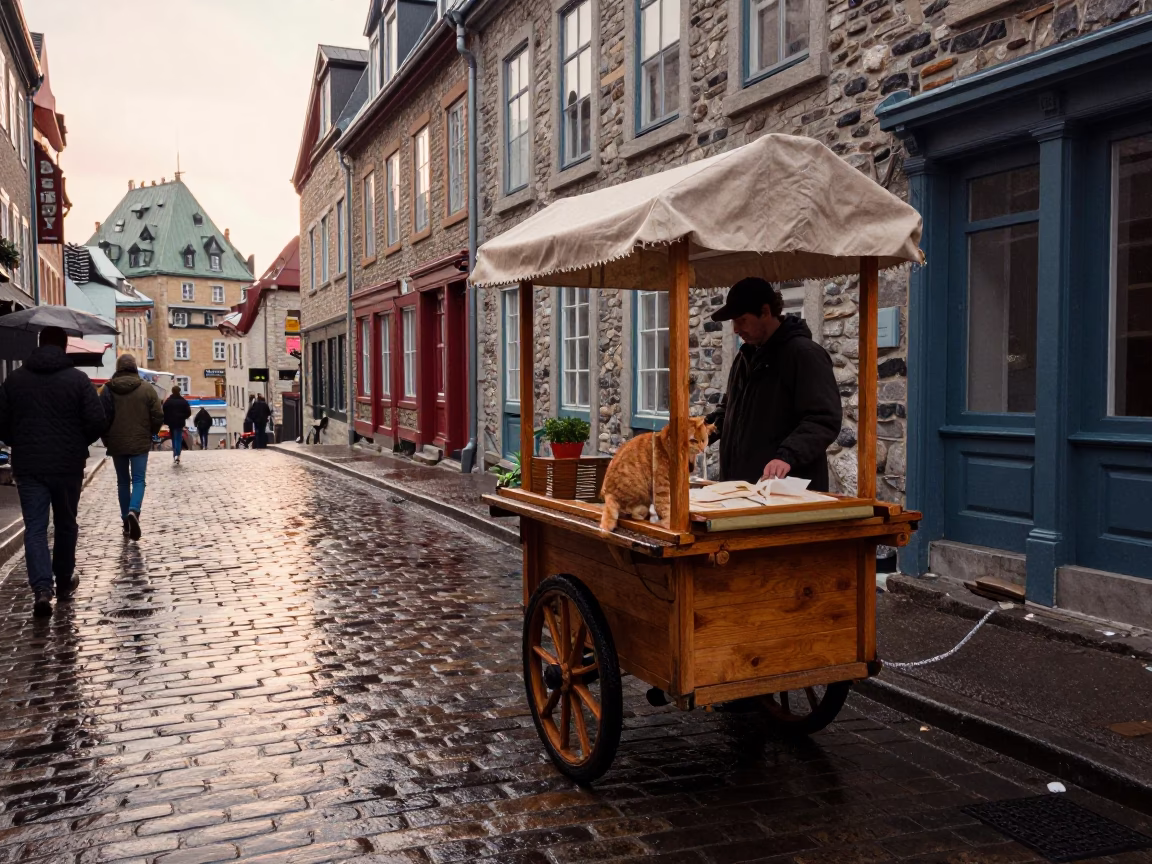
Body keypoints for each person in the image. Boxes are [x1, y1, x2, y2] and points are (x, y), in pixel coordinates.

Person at [0, 326, 106, 617]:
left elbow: (2, 423)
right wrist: (77, 442)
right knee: (66, 523)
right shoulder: (78, 379)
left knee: (35, 528)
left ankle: (42, 590)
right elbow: (97, 421)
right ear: (64, 347)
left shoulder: (15, 379)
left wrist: (18, 441)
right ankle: (64, 580)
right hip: (67, 465)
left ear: (39, 344)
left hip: (29, 465)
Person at [706, 278, 842, 491]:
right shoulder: (744, 357)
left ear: (765, 312)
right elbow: (729, 410)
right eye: (734, 322)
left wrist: (786, 456)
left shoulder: (805, 354)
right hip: (742, 489)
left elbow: (822, 419)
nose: (735, 329)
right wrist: (700, 432)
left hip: (786, 491)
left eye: (742, 320)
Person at [101, 354, 163, 541]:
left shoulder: (108, 389)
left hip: (116, 441)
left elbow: (102, 416)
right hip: (140, 440)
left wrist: (106, 438)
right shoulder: (146, 388)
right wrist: (152, 432)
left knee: (122, 482)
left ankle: (125, 521)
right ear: (135, 367)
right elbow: (158, 414)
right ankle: (134, 510)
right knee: (138, 479)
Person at [162, 385, 192, 464]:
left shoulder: (168, 401)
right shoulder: (183, 401)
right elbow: (188, 412)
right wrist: (183, 417)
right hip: (180, 422)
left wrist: (166, 420)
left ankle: (175, 453)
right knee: (178, 438)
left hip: (171, 422)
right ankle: (177, 454)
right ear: (179, 391)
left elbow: (164, 411)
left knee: (173, 438)